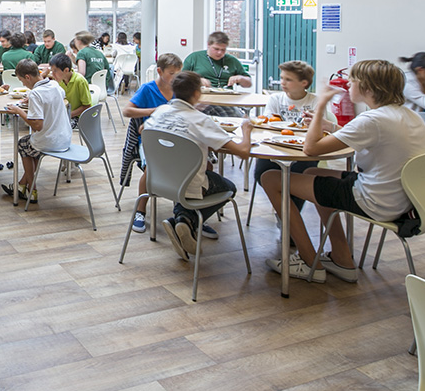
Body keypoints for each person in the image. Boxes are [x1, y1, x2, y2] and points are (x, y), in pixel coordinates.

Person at [260, 59, 425, 284]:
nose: (348, 86)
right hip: (406, 200)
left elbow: (311, 149)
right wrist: (331, 127)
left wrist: (320, 106)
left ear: (368, 88)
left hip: (378, 201)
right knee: (313, 173)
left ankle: (309, 261)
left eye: (352, 81)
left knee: (270, 178)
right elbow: (366, 135)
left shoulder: (372, 120)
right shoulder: (407, 115)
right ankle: (342, 258)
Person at [144, 71, 255, 261]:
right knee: (229, 188)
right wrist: (246, 130)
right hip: (189, 186)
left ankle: (182, 220)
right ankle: (184, 220)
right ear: (197, 94)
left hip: (159, 181)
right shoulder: (200, 120)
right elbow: (243, 152)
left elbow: (143, 129)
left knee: (201, 173)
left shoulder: (160, 111)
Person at [251, 61, 335, 214]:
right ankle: (286, 211)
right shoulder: (275, 99)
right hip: (276, 146)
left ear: (304, 83)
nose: (282, 82)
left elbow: (319, 129)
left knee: (299, 176)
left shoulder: (314, 101)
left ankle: (287, 216)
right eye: (282, 78)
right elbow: (267, 124)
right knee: (261, 174)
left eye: (288, 79)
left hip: (303, 149)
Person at [121, 52, 183, 235]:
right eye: (171, 73)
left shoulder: (180, 90)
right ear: (160, 71)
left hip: (176, 138)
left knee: (198, 165)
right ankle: (140, 211)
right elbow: (127, 111)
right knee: (151, 169)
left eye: (178, 73)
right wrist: (154, 111)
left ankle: (188, 214)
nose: (175, 77)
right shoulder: (148, 89)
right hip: (151, 139)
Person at [3, 58, 71, 204]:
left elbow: (37, 126)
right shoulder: (54, 84)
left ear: (28, 77)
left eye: (22, 80)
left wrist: (19, 111)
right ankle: (21, 185)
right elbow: (56, 98)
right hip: (65, 137)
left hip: (50, 141)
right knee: (31, 149)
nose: (23, 84)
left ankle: (32, 189)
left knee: (23, 144)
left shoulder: (35, 93)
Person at [181, 31, 252, 89]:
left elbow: (249, 84)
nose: (219, 52)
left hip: (227, 97)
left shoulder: (232, 61)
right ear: (208, 45)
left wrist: (241, 78)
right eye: (216, 49)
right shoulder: (194, 57)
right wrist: (196, 81)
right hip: (202, 96)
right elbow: (180, 79)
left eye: (223, 50)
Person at [49, 52, 92, 128]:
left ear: (66, 70)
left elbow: (87, 106)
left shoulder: (79, 81)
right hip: (66, 113)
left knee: (55, 126)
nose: (52, 74)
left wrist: (68, 114)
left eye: (55, 71)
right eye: (51, 71)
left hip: (79, 116)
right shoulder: (60, 80)